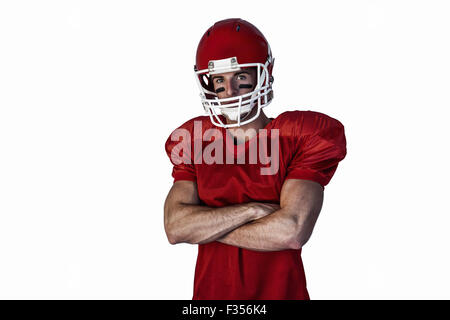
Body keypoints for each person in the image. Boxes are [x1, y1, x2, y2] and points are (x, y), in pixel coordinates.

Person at [164, 18, 347, 300]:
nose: (230, 90)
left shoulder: (297, 136)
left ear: (263, 75)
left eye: (240, 76)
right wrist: (252, 211)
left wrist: (203, 227)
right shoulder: (196, 139)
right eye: (219, 80)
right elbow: (176, 227)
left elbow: (292, 231)